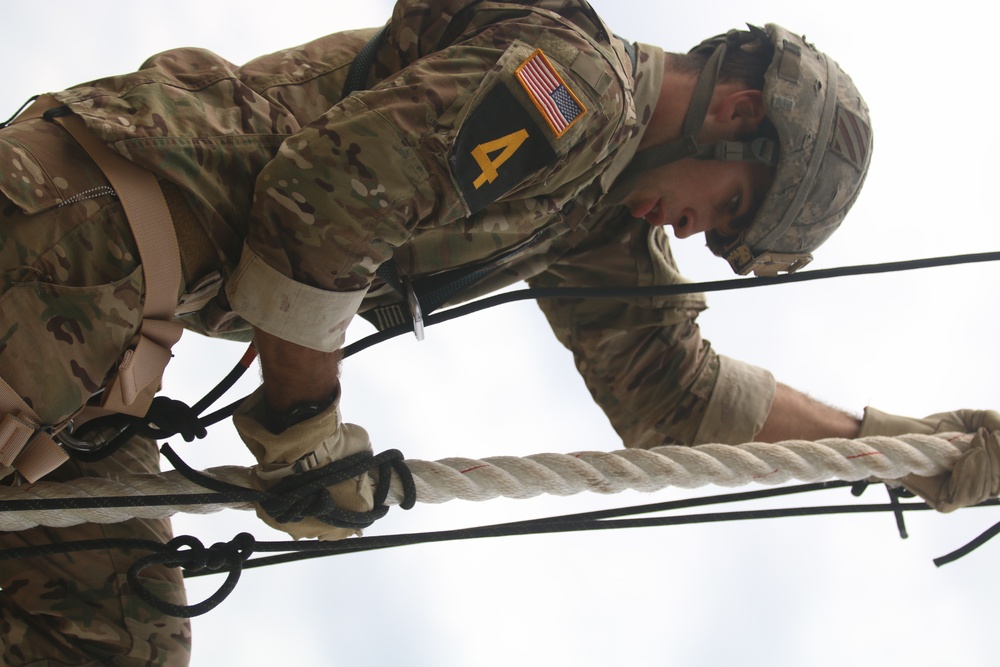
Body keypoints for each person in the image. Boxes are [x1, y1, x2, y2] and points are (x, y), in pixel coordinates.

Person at [2, 0, 983, 664]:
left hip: (104, 334)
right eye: (724, 209)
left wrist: (898, 450)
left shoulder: (599, 219)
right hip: (76, 242)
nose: (691, 234)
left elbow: (678, 395)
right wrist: (304, 421)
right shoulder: (578, 88)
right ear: (732, 111)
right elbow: (326, 199)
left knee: (111, 633)